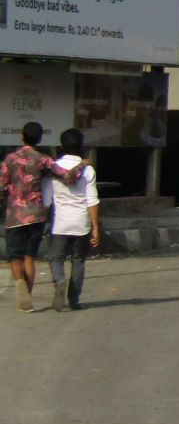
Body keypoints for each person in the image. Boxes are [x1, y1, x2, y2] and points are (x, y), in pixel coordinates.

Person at [2, 121, 87, 313]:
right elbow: (67, 177)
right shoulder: (44, 160)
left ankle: (20, 285)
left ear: (22, 136)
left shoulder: (10, 159)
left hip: (14, 214)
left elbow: (2, 184)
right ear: (39, 139)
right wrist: (82, 164)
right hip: (36, 215)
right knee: (29, 256)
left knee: (14, 256)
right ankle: (28, 296)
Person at [43, 128, 98, 311]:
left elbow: (47, 201)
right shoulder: (88, 170)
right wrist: (95, 227)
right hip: (81, 223)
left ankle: (59, 281)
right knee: (79, 260)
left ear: (61, 146)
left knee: (55, 258)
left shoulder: (53, 169)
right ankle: (74, 300)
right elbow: (92, 200)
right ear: (81, 146)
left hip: (60, 223)